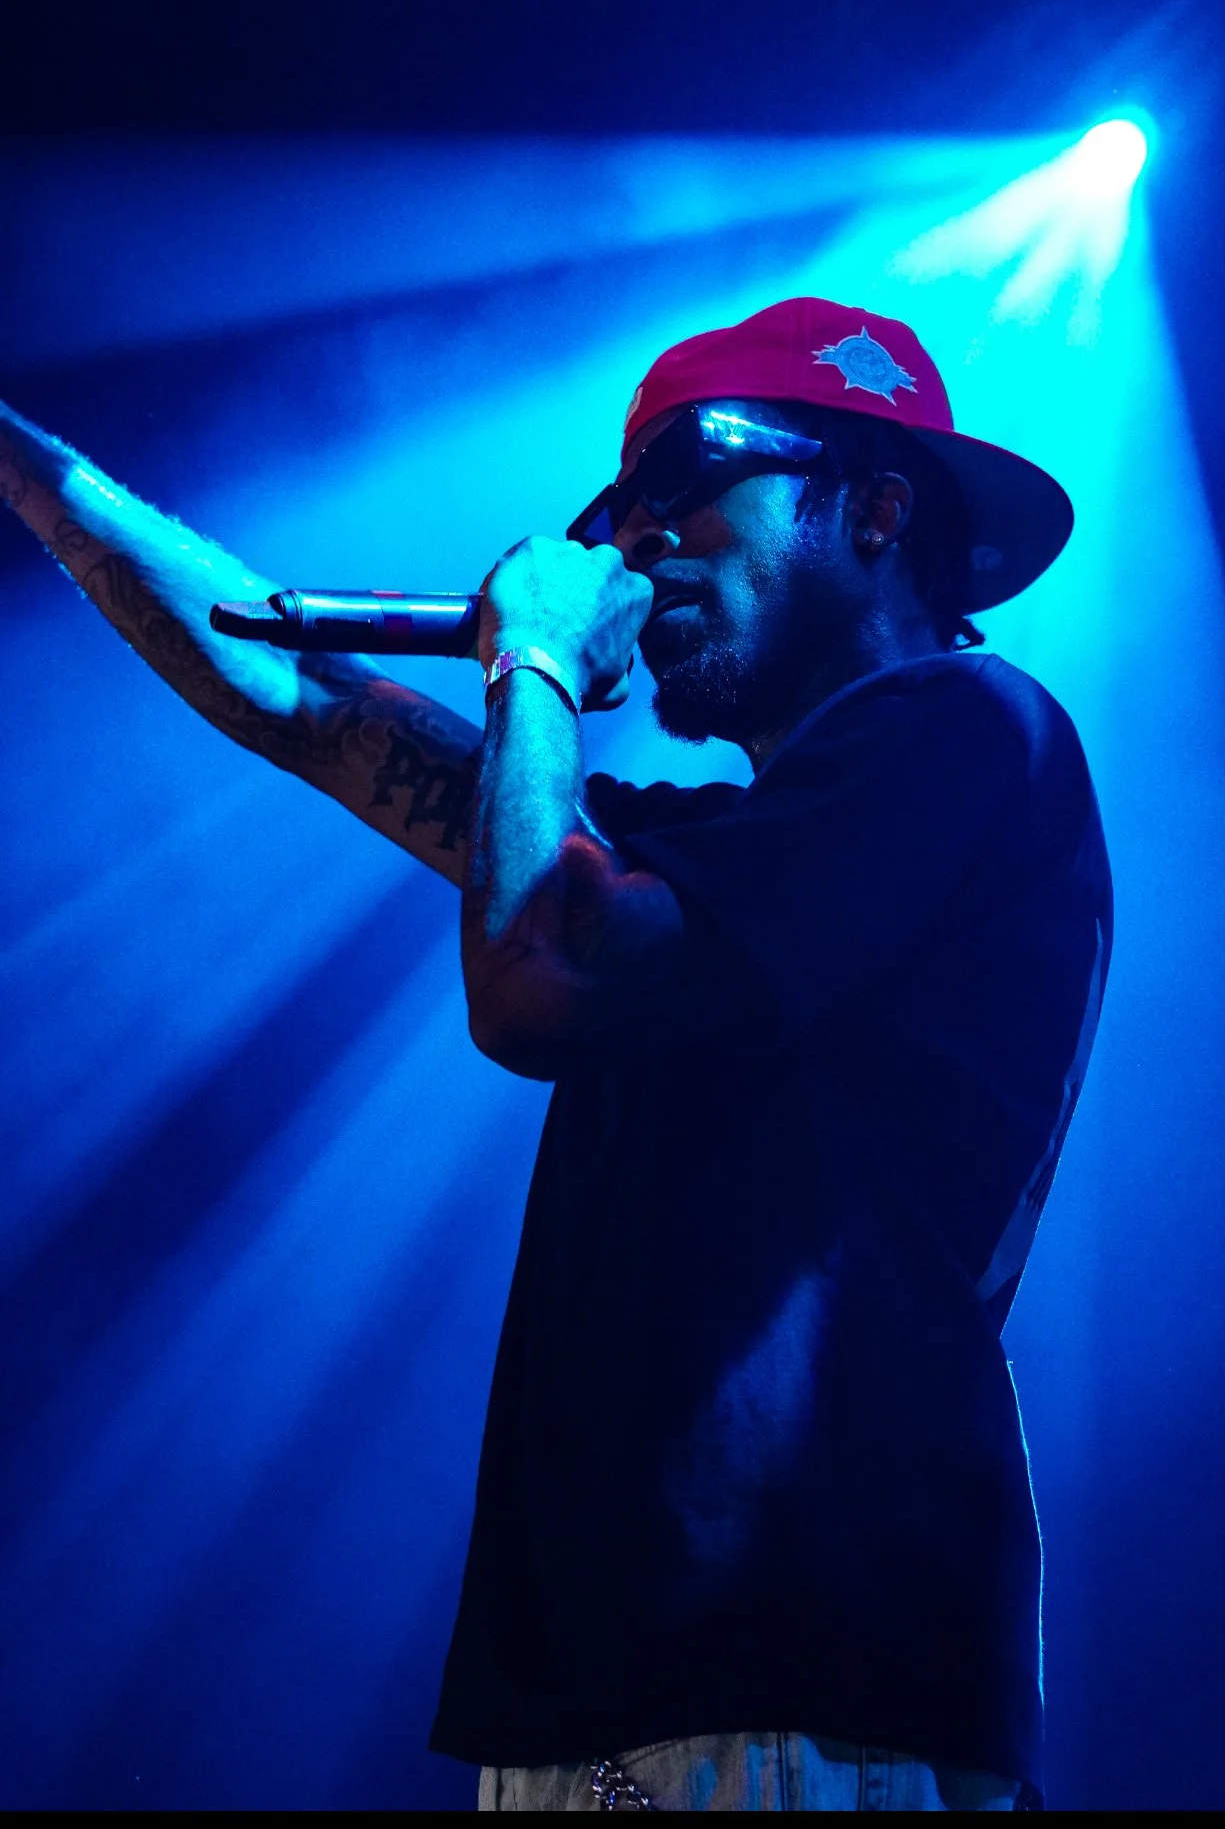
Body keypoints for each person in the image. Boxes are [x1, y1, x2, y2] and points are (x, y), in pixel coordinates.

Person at [0, 297, 1111, 1813]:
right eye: (622, 507)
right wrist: (25, 468)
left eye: (689, 481)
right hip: (631, 1697)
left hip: (795, 1674)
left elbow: (538, 984)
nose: (639, 541)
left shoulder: (973, 728)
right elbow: (295, 693)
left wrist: (529, 660)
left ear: (875, 511)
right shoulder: (702, 869)